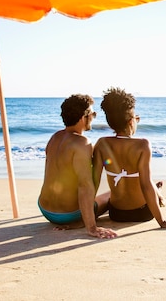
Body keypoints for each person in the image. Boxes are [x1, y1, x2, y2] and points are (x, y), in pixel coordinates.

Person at [93, 87, 166, 230]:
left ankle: (158, 192)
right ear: (132, 121)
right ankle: (158, 193)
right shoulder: (142, 145)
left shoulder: (102, 144)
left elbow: (93, 182)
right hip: (143, 213)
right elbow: (145, 185)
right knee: (148, 181)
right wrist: (162, 222)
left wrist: (85, 221)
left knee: (108, 195)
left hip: (116, 213)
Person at [38, 94, 117, 239]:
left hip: (45, 209)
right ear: (83, 117)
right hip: (68, 215)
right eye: (93, 113)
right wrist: (92, 227)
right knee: (113, 194)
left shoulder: (54, 137)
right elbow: (84, 185)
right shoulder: (82, 143)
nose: (94, 116)